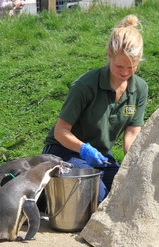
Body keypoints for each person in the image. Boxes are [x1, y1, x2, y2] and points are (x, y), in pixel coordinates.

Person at [42, 15, 148, 204]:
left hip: (100, 156)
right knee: (95, 196)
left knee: (123, 190)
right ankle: (44, 193)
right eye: (119, 66)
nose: (124, 72)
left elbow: (132, 135)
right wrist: (83, 149)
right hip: (64, 150)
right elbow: (60, 131)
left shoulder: (140, 88)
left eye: (131, 67)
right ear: (109, 54)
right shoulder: (85, 86)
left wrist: (133, 164)